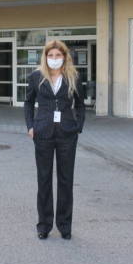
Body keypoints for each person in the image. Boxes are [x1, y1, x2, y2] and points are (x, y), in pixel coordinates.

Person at [24, 40, 86, 240]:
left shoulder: (74, 77)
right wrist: (31, 126)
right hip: (43, 133)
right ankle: (44, 225)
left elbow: (81, 105)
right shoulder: (36, 77)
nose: (54, 59)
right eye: (50, 56)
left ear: (65, 57)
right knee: (44, 180)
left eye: (57, 56)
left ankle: (65, 225)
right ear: (45, 57)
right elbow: (28, 102)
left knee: (66, 180)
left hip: (67, 134)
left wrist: (78, 126)